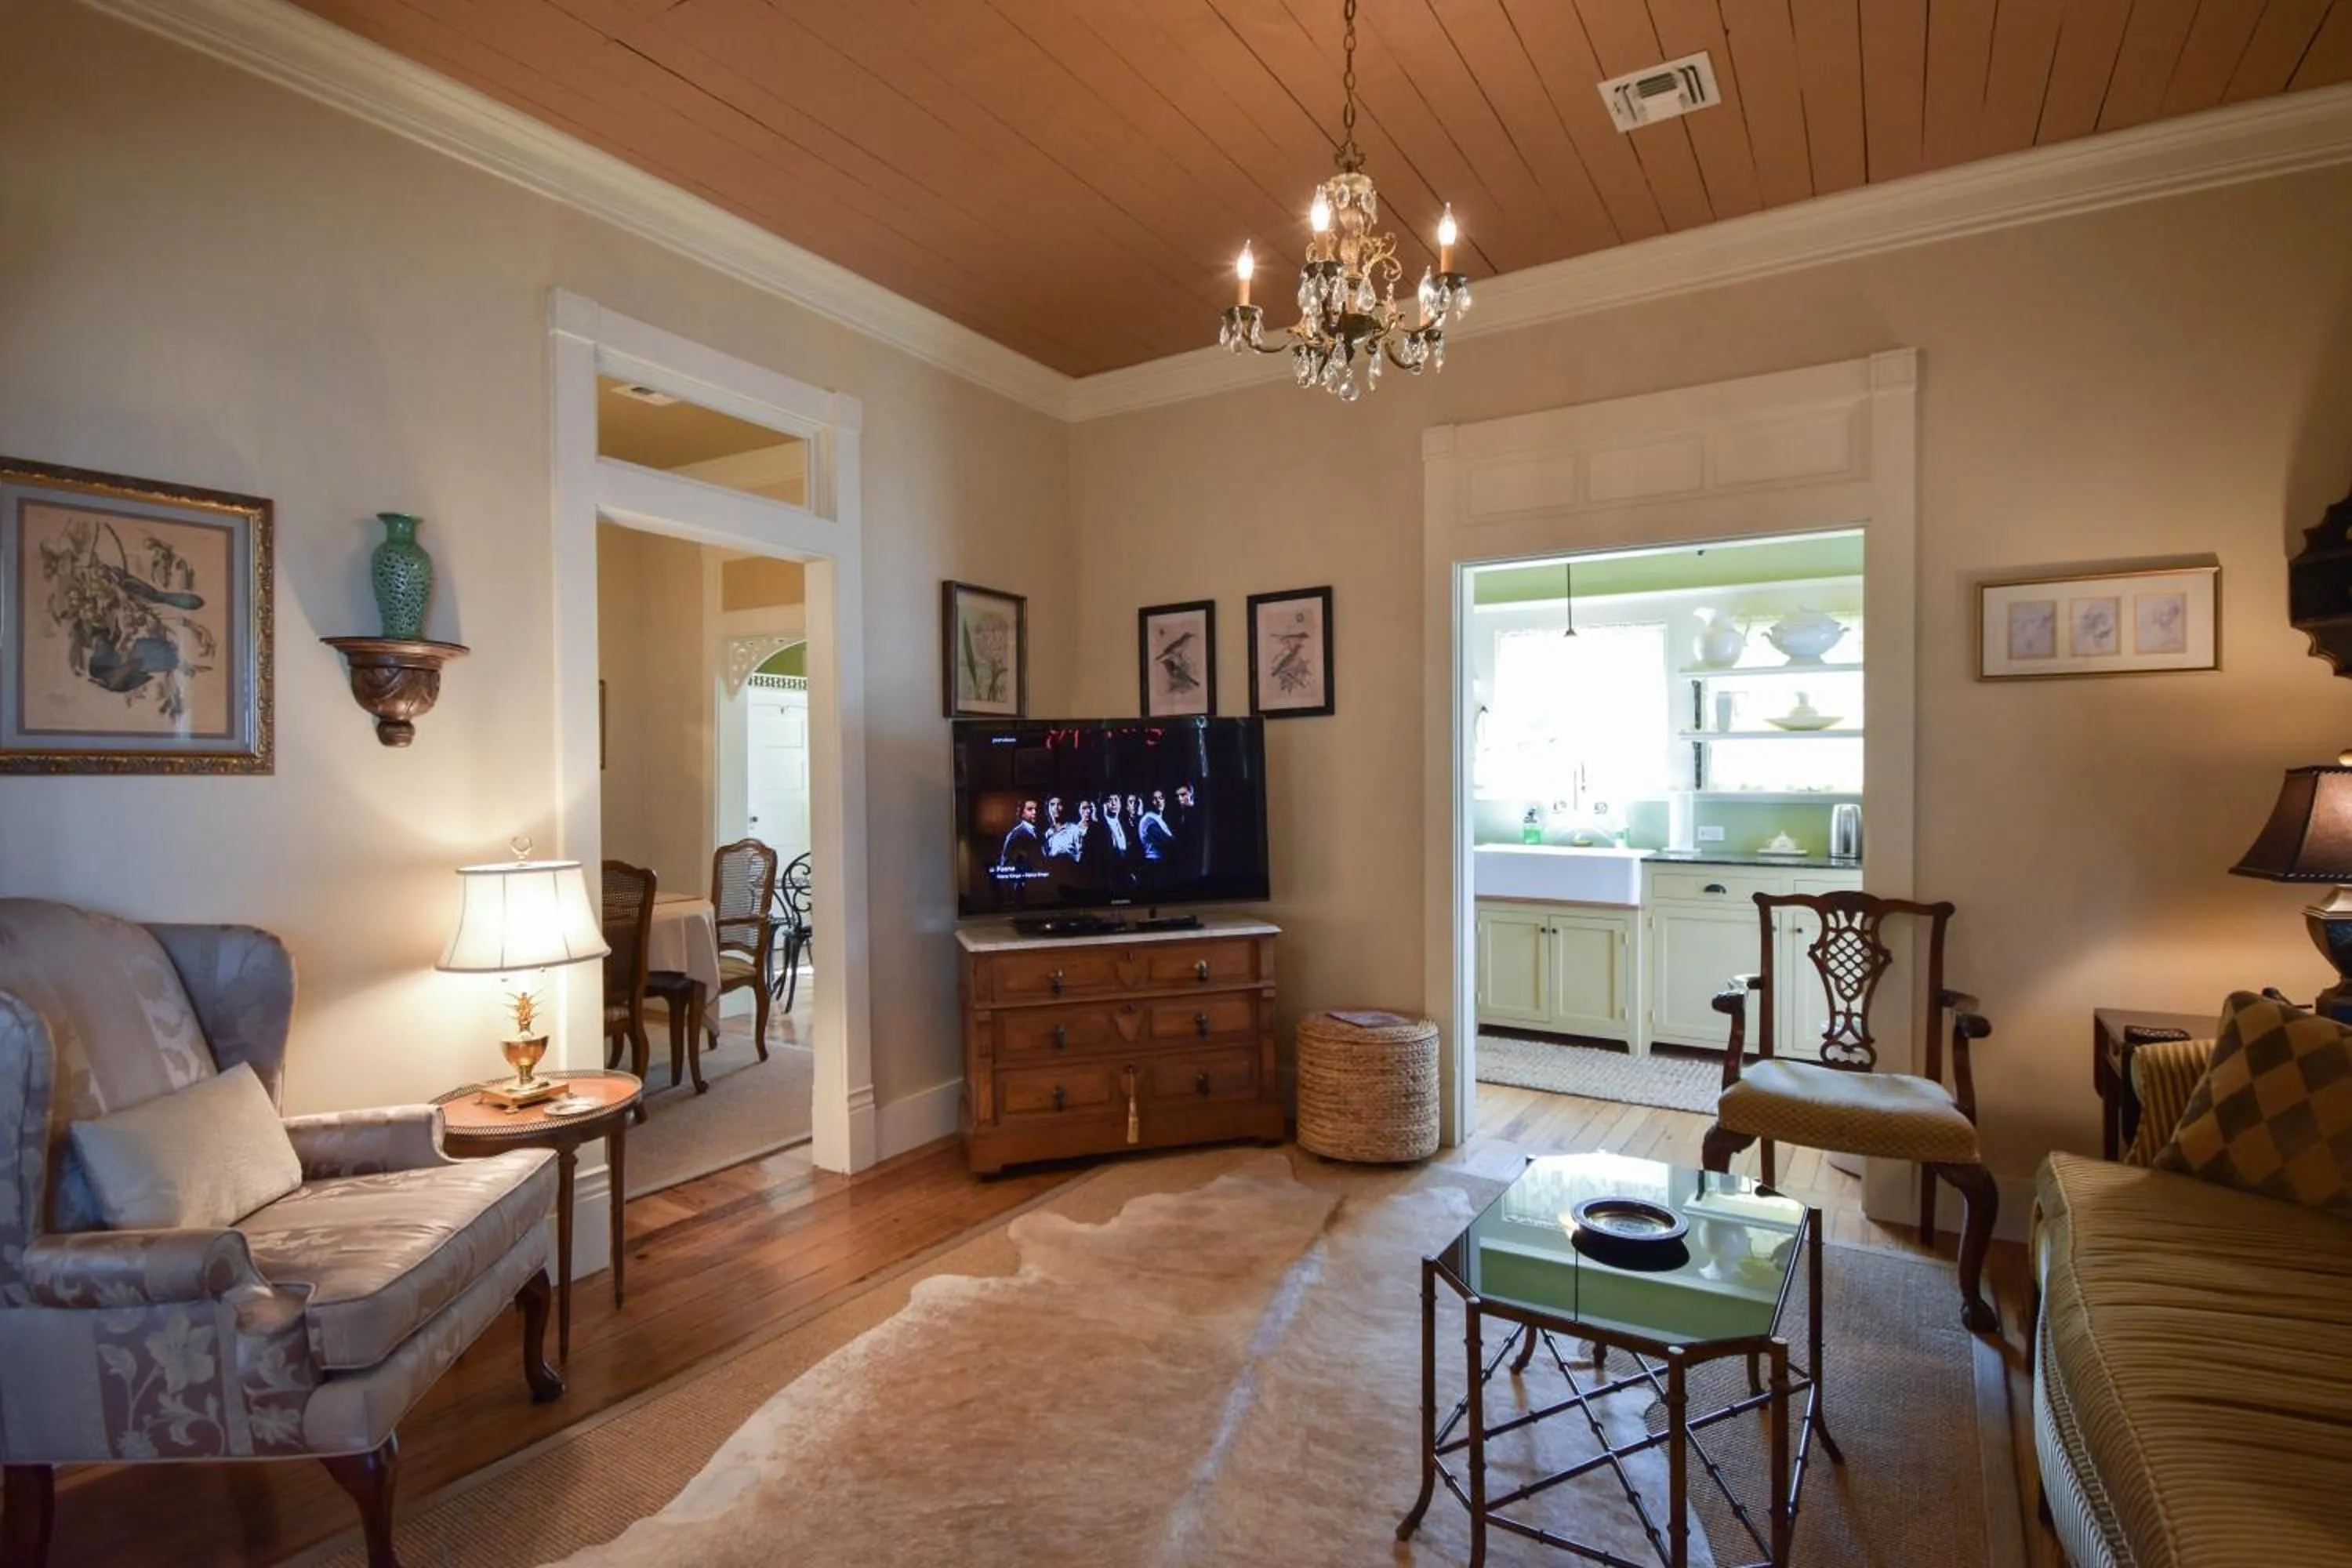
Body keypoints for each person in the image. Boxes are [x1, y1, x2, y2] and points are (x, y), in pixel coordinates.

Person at [996, 798, 1040, 869]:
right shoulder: (1017, 834)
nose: (1034, 812)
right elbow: (1007, 861)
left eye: (1036, 809)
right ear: (1022, 813)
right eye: (1030, 809)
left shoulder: (1038, 832)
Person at [1042, 796, 1085, 860]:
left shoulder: (1075, 830)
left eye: (1059, 804)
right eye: (1052, 804)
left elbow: (1081, 857)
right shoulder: (1048, 833)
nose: (1056, 808)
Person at [1138, 789, 1174, 862]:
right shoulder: (1149, 819)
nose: (1159, 801)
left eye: (1161, 798)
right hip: (1154, 862)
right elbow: (1167, 841)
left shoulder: (1159, 819)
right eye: (1155, 799)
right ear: (1150, 801)